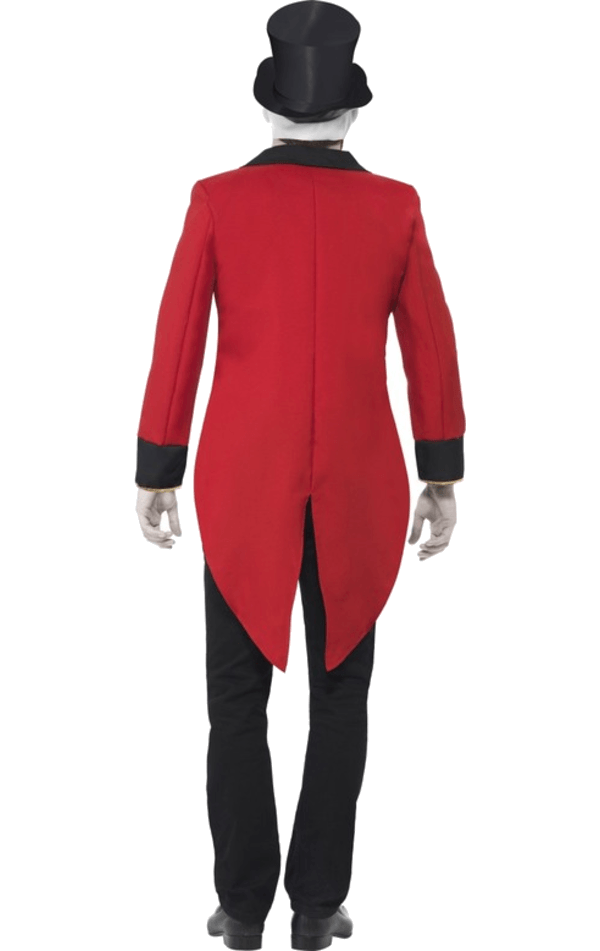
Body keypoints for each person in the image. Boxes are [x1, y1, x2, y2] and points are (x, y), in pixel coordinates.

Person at [134, 2, 465, 948]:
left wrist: (158, 469)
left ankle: (241, 909)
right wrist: (441, 475)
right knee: (342, 689)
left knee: (234, 695)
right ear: (352, 111)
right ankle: (319, 905)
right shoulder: (396, 205)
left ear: (267, 105)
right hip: (361, 480)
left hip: (243, 476)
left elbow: (176, 342)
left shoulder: (216, 199)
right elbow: (432, 347)